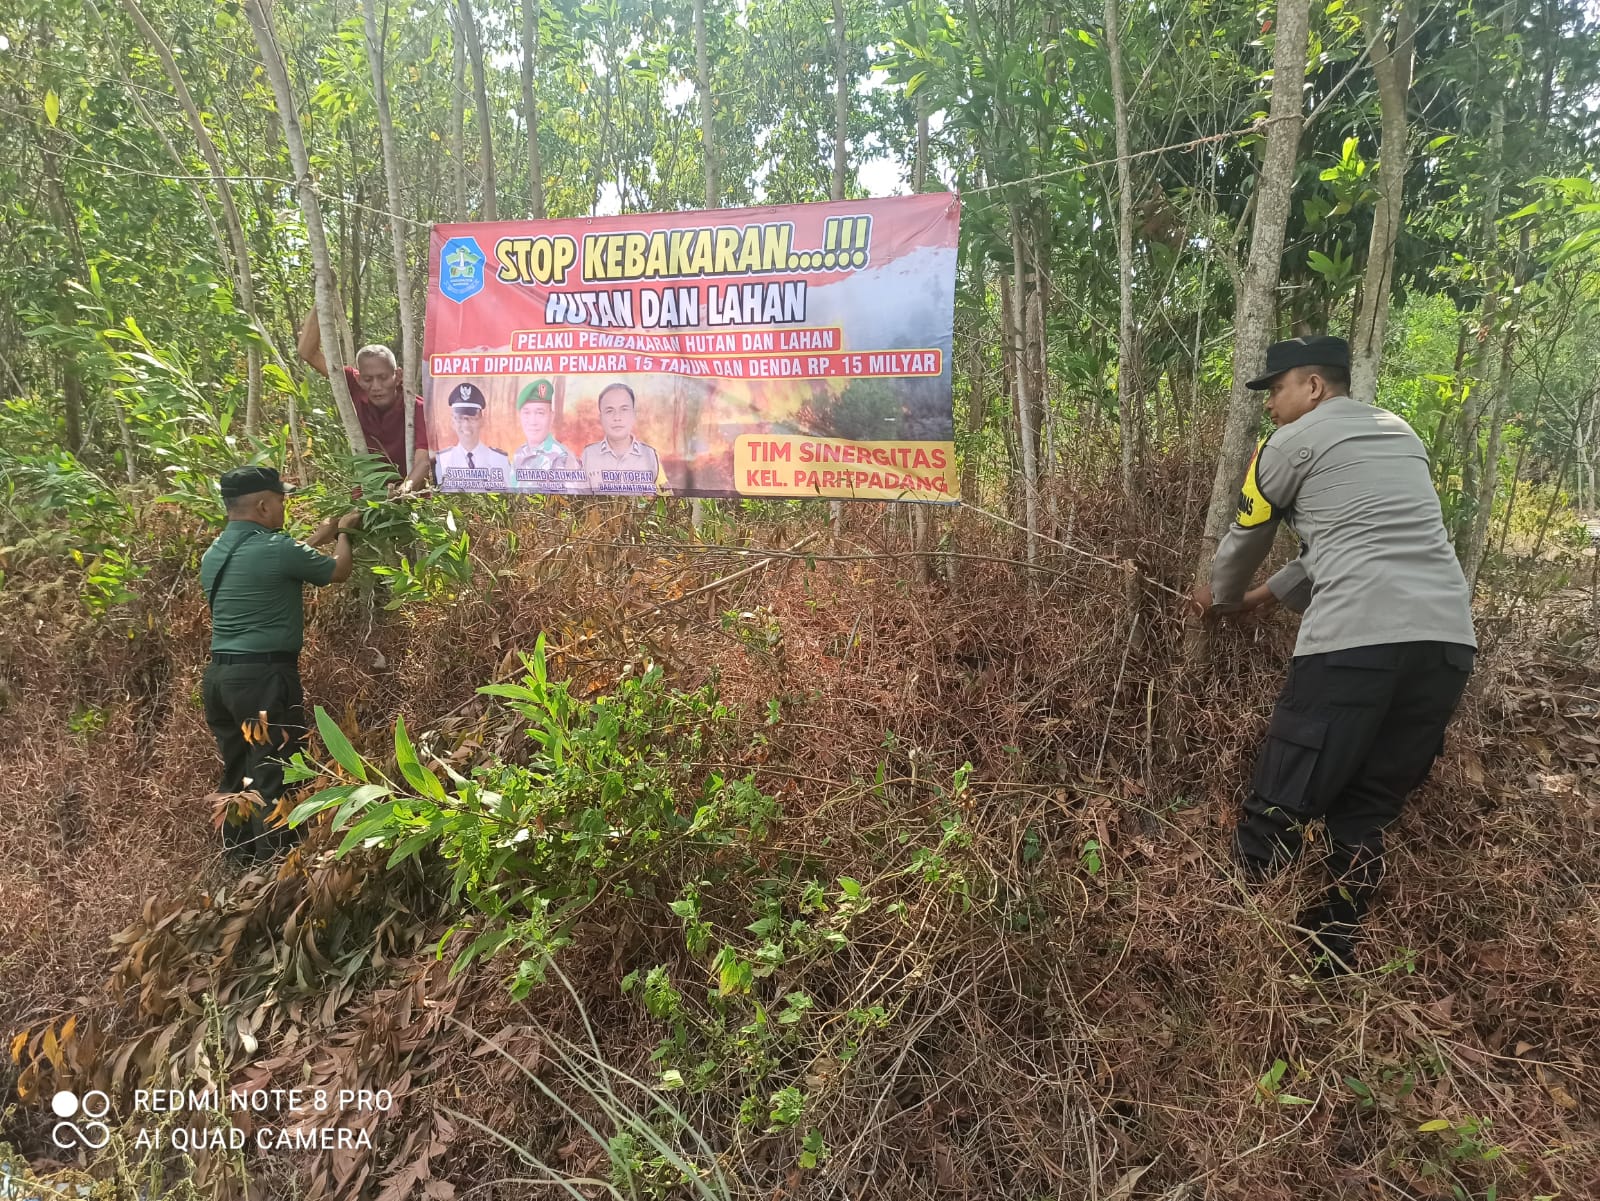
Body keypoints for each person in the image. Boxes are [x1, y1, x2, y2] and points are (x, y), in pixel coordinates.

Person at [1192, 335, 1477, 975]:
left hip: (1355, 642)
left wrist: (1220, 596)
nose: (1269, 405)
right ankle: (1330, 962)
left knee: (1282, 797)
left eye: (1276, 388)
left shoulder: (1286, 445)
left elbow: (1247, 534)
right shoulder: (1398, 434)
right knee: (1367, 811)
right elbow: (1345, 542)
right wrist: (1267, 598)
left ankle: (1230, 954)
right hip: (1447, 647)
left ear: (1314, 387)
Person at [201, 466, 360, 863]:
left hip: (221, 680)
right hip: (264, 680)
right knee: (274, 771)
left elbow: (274, 566)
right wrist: (345, 533)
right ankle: (276, 870)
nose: (283, 507)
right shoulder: (276, 549)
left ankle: (238, 863)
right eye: (280, 501)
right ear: (262, 504)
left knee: (238, 771)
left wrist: (320, 534)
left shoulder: (216, 551)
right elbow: (337, 570)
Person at [298, 308, 432, 492]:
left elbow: (423, 461)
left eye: (383, 377)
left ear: (398, 376)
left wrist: (405, 488)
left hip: (411, 499)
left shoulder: (417, 408)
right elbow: (307, 353)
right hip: (366, 496)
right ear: (360, 379)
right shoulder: (354, 387)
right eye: (368, 380)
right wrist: (322, 295)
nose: (376, 386)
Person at [578, 382, 667, 494]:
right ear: (601, 418)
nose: (617, 417)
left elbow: (667, 498)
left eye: (624, 409)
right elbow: (579, 501)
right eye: (609, 411)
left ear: (633, 415)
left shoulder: (650, 455)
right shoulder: (588, 455)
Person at [433, 382, 512, 491]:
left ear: (481, 421)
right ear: (452, 422)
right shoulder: (441, 460)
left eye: (472, 417)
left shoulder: (500, 460)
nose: (466, 424)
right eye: (460, 418)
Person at [510, 377, 581, 492]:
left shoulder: (563, 457)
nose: (533, 421)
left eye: (540, 413)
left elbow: (572, 504)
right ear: (520, 416)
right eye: (526, 413)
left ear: (551, 417)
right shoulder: (519, 454)